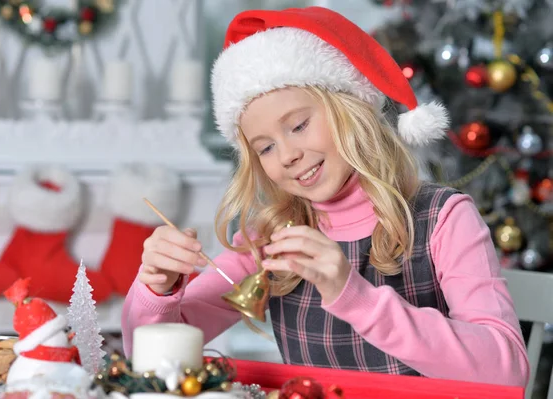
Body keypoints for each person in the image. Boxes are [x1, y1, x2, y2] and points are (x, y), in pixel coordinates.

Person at [122, 6, 529, 386]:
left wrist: (355, 297)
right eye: (264, 147)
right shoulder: (271, 238)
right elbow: (152, 354)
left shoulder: (442, 218)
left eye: (298, 125)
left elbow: (506, 369)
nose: (287, 155)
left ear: (350, 109)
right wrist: (156, 291)